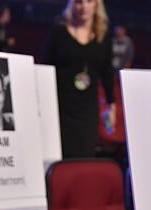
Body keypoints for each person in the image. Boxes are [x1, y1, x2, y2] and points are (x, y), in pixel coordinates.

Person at [42, 0, 115, 158]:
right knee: (59, 160)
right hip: (60, 108)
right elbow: (45, 69)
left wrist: (111, 105)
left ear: (96, 4)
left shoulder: (104, 36)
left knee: (84, 158)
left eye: (89, 1)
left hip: (87, 111)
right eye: (79, 2)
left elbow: (107, 73)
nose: (84, 7)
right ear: (72, 5)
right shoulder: (58, 33)